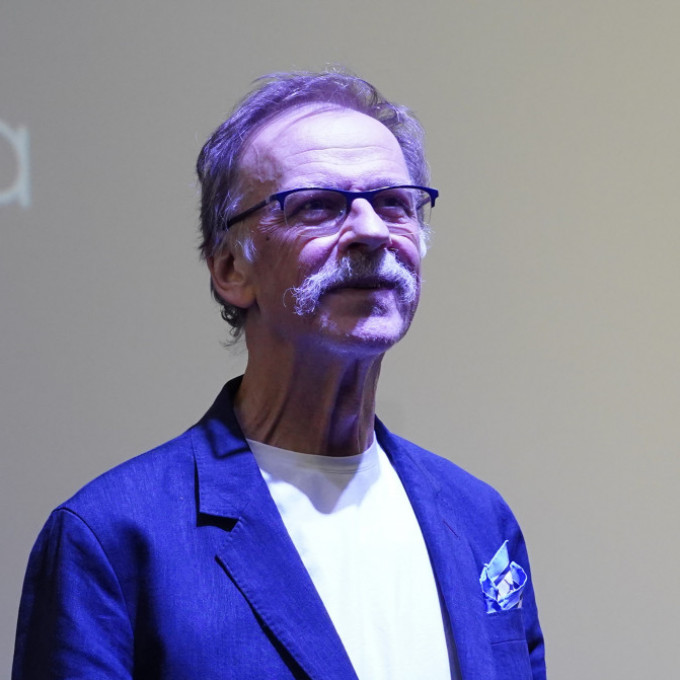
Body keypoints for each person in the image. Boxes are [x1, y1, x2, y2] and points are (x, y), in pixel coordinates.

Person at [13, 70, 546, 680]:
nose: (372, 231)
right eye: (318, 205)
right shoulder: (113, 539)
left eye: (395, 202)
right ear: (230, 270)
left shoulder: (480, 522)